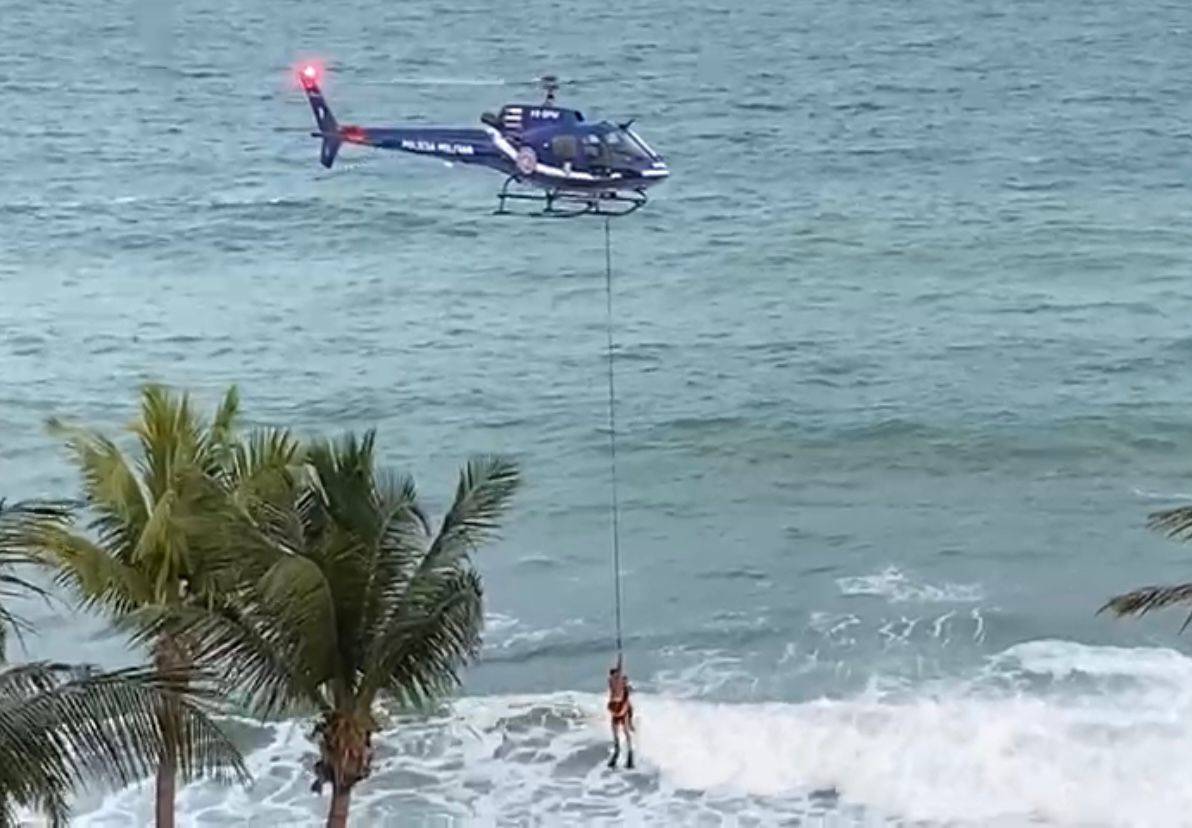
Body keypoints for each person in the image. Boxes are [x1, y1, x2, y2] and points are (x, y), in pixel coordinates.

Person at [607, 654, 634, 769]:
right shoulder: (614, 682)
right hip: (615, 709)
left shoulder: (623, 689)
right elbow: (619, 670)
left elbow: (630, 709)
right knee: (615, 731)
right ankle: (618, 749)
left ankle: (629, 752)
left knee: (625, 731)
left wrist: (620, 657)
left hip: (621, 709)